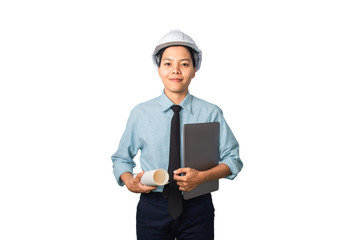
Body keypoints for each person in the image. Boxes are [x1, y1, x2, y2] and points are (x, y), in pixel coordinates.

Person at [111, 29, 243, 240]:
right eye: (168, 63)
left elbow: (233, 159)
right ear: (159, 69)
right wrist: (129, 181)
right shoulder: (141, 113)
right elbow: (121, 159)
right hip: (152, 207)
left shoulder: (211, 112)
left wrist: (202, 177)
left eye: (184, 64)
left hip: (197, 208)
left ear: (194, 70)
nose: (176, 70)